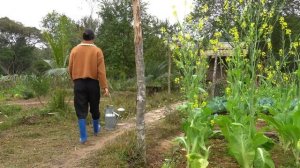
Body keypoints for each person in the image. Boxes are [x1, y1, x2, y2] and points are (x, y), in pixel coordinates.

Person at [68, 28, 109, 144]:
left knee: (80, 109)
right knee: (95, 107)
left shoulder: (75, 50)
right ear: (93, 38)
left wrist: (74, 80)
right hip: (93, 84)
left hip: (79, 83)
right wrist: (104, 86)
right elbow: (101, 71)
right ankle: (96, 130)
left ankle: (83, 137)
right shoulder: (97, 51)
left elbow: (70, 68)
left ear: (83, 38)